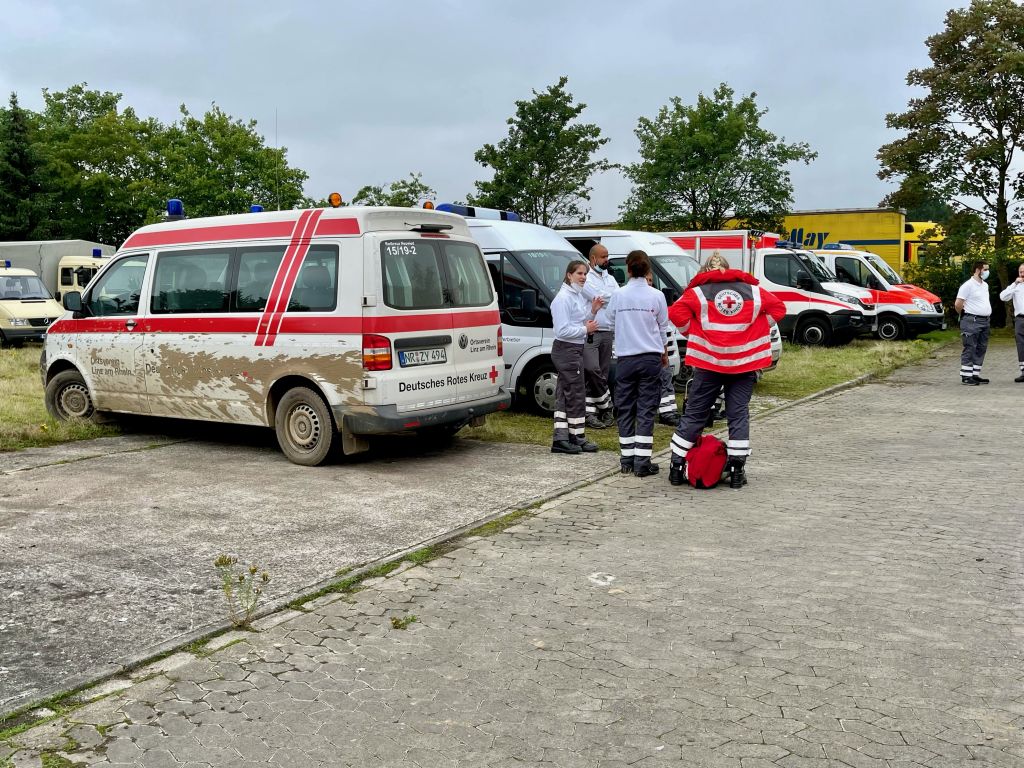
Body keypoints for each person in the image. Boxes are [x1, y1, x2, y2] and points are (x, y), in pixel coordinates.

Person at [668, 251, 786, 489]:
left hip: (708, 362)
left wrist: (695, 333)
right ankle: (736, 470)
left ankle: (677, 467)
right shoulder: (752, 291)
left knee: (695, 413)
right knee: (738, 414)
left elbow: (676, 313)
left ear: (704, 271)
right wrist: (757, 329)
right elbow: (779, 308)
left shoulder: (697, 292)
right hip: (743, 364)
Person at [605, 250, 670, 477]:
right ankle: (643, 460)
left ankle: (626, 459)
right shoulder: (656, 296)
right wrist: (664, 351)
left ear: (628, 269)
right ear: (648, 270)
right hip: (650, 357)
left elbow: (610, 321)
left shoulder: (619, 295)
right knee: (646, 408)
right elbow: (663, 328)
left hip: (626, 358)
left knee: (625, 407)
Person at [550, 260, 603, 454]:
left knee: (566, 395)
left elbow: (577, 319)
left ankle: (564, 438)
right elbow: (562, 330)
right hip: (567, 349)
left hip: (573, 349)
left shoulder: (575, 296)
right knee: (575, 394)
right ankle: (575, 437)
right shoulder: (563, 298)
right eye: (579, 273)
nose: (583, 277)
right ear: (569, 275)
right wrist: (585, 329)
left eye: (585, 274)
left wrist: (593, 311)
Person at [581, 244, 618, 429]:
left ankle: (594, 412)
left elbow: (616, 298)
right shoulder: (586, 278)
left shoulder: (610, 278)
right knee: (591, 369)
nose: (606, 260)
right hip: (591, 330)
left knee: (602, 373)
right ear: (593, 258)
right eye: (603, 257)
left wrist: (607, 298)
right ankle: (606, 407)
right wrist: (608, 298)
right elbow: (598, 298)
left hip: (608, 330)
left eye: (607, 256)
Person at [644, 272, 681, 426]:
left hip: (659, 344)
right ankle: (666, 413)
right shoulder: (636, 299)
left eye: (651, 280)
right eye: (647, 279)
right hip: (647, 348)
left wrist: (664, 350)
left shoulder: (656, 297)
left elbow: (662, 325)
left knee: (666, 377)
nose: (649, 283)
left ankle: (670, 410)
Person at [954, 260, 992, 385]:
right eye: (985, 269)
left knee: (981, 348)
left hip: (985, 321)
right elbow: (958, 304)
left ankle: (975, 374)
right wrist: (964, 315)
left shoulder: (984, 285)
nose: (987, 272)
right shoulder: (967, 285)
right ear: (978, 270)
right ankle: (966, 376)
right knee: (970, 347)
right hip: (972, 320)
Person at [999, 262, 1024, 383]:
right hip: (1020, 319)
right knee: (1021, 345)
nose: (1022, 274)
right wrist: (1014, 284)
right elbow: (1003, 297)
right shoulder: (1015, 287)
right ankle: (1023, 371)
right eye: (1020, 272)